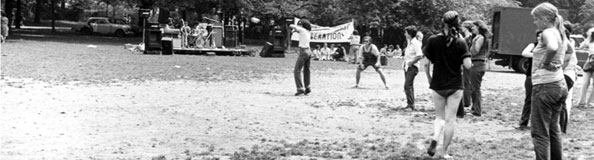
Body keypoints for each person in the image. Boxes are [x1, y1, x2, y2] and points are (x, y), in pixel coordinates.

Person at [423, 11, 472, 159]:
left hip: (438, 83)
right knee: (451, 120)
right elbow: (468, 65)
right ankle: (444, 152)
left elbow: (425, 64)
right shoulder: (460, 42)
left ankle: (436, 137)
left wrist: (429, 78)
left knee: (439, 117)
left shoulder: (432, 40)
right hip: (455, 85)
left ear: (442, 22)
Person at [530, 3, 569, 159]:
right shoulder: (561, 33)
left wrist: (546, 64)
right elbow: (569, 51)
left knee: (540, 132)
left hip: (545, 86)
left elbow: (552, 48)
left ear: (545, 19)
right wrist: (559, 65)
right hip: (559, 84)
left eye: (536, 19)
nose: (535, 22)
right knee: (554, 129)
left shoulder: (547, 32)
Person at [517, 31, 542, 131]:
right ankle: (523, 122)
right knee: (528, 99)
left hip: (542, 77)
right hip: (531, 77)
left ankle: (536, 124)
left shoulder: (548, 47)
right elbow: (524, 53)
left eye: (542, 37)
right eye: (539, 37)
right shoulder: (533, 45)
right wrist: (537, 55)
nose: (540, 38)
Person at [466, 20, 492, 116]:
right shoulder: (481, 37)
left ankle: (477, 110)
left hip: (477, 64)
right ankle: (474, 108)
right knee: (475, 87)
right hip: (480, 64)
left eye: (474, 26)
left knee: (475, 88)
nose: (472, 28)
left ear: (478, 27)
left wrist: (472, 43)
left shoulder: (479, 38)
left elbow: (475, 51)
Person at [560, 22, 578, 134]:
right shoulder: (570, 42)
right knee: (565, 100)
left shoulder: (567, 43)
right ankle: (561, 126)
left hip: (566, 74)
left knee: (562, 101)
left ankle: (561, 127)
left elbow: (566, 61)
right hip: (569, 73)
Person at [456, 20, 475, 118]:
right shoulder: (467, 38)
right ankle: (467, 100)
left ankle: (467, 101)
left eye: (463, 26)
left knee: (466, 81)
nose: (462, 28)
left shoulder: (468, 38)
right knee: (466, 80)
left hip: (466, 61)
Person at [289, 19, 313, 96]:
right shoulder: (307, 31)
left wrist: (293, 27)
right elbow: (298, 30)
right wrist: (295, 31)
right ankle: (307, 87)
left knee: (297, 70)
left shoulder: (302, 30)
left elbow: (291, 26)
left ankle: (300, 88)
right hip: (309, 51)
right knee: (306, 70)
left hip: (303, 51)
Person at [403, 26, 424, 110]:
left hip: (412, 67)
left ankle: (411, 105)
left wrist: (411, 62)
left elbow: (420, 55)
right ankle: (409, 103)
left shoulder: (415, 43)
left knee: (407, 85)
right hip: (407, 67)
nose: (405, 34)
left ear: (409, 34)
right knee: (408, 86)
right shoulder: (410, 42)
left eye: (406, 33)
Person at [577, 27, 594, 107]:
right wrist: (588, 37)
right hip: (590, 62)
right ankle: (582, 101)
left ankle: (590, 102)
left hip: (590, 61)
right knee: (585, 83)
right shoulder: (590, 41)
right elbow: (581, 46)